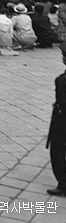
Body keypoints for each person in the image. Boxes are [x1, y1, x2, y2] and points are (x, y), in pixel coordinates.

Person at [47, 41, 66, 196]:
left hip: (63, 120)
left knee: (58, 151)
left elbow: (62, 102)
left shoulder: (62, 80)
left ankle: (63, 183)